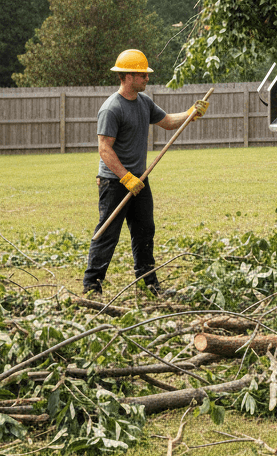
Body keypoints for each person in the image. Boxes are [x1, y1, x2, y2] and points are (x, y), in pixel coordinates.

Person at [82, 49, 208, 297]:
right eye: (142, 75)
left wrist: (192, 113)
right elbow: (104, 149)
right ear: (127, 76)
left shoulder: (144, 103)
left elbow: (169, 121)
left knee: (144, 231)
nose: (147, 79)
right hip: (115, 181)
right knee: (108, 233)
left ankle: (148, 285)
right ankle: (91, 287)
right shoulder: (111, 109)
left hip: (139, 180)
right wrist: (126, 178)